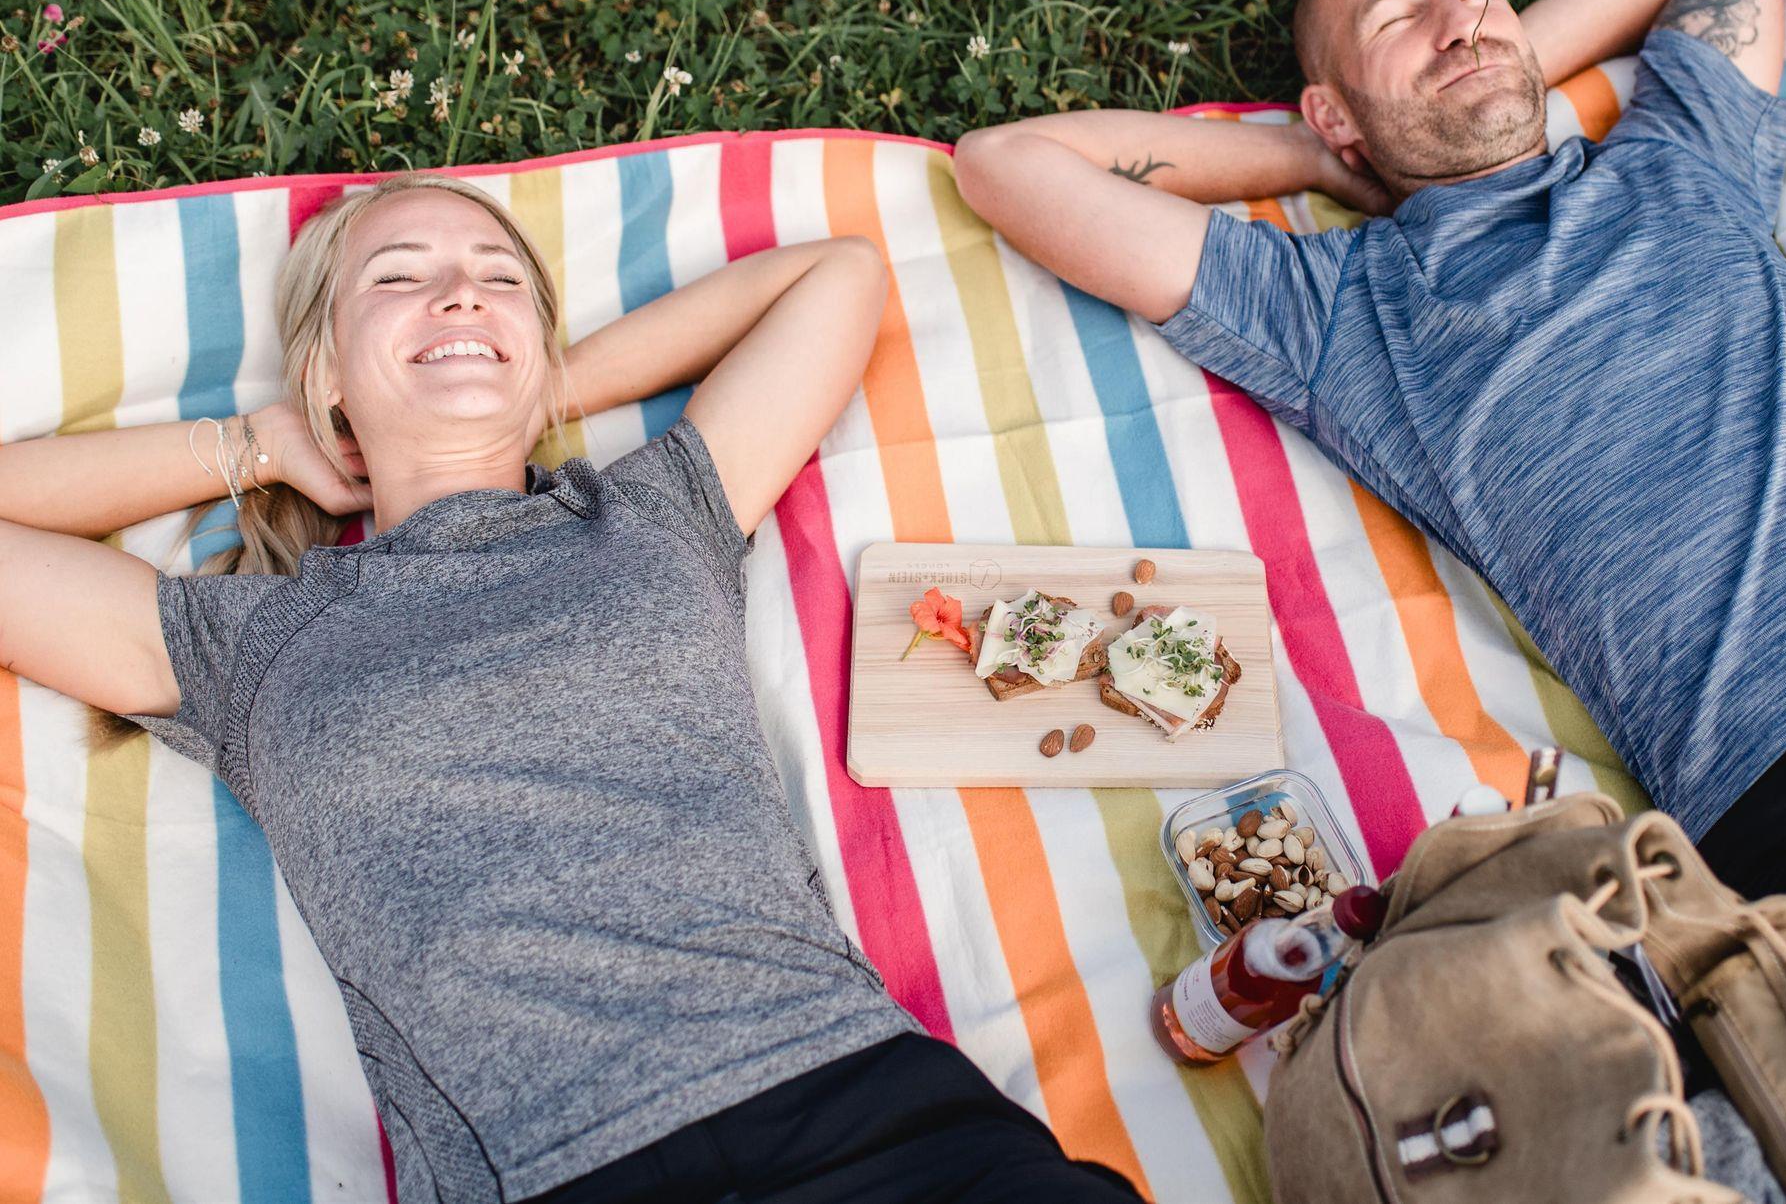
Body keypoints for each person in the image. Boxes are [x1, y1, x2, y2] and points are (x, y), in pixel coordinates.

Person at [953, 0, 1786, 1181]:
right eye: (1398, 16)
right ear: (1331, 109)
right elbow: (1004, 164)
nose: (1458, 20)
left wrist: (1487, 53)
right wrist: (1316, 161)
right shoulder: (1337, 314)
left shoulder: (1679, 158)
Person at [0, 174, 1142, 1204]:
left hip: (865, 1098)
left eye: (499, 280)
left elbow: (835, 275)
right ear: (325, 370)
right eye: (398, 278)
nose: (459, 294)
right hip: (556, 1164)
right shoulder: (248, 644)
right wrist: (257, 443)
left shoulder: (652, 517)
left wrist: (533, 384)